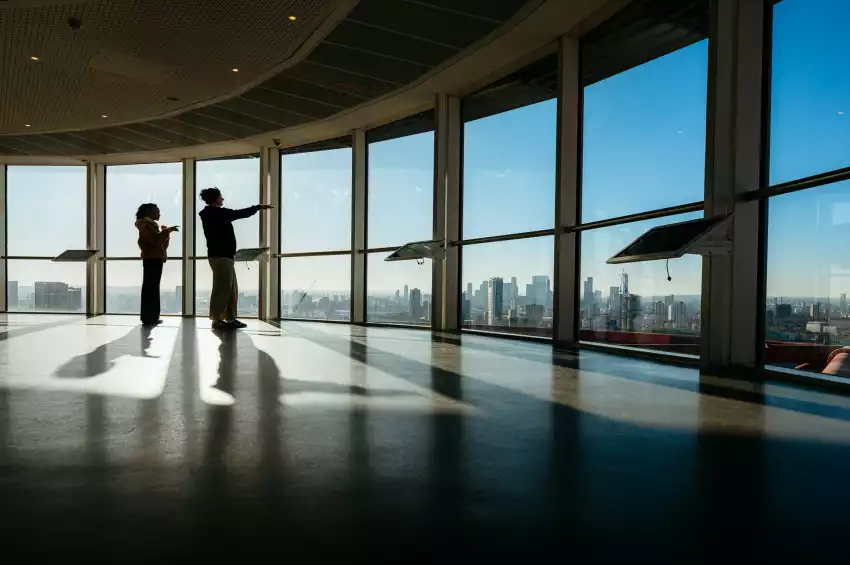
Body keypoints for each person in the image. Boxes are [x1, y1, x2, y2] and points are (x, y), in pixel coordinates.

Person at [199, 187, 272, 329]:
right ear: (215, 199)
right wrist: (258, 207)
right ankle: (218, 320)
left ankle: (229, 319)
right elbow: (240, 213)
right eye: (221, 197)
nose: (223, 199)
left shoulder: (213, 214)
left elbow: (237, 214)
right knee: (223, 288)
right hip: (221, 257)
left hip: (224, 256)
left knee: (231, 288)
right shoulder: (217, 214)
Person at [135, 203, 179, 326]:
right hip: (152, 259)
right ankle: (150, 317)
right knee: (151, 288)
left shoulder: (150, 226)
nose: (159, 214)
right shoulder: (145, 226)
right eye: (157, 211)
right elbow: (154, 241)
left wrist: (165, 234)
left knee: (152, 288)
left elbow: (159, 244)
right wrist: (167, 231)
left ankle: (151, 317)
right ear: (148, 212)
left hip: (155, 258)